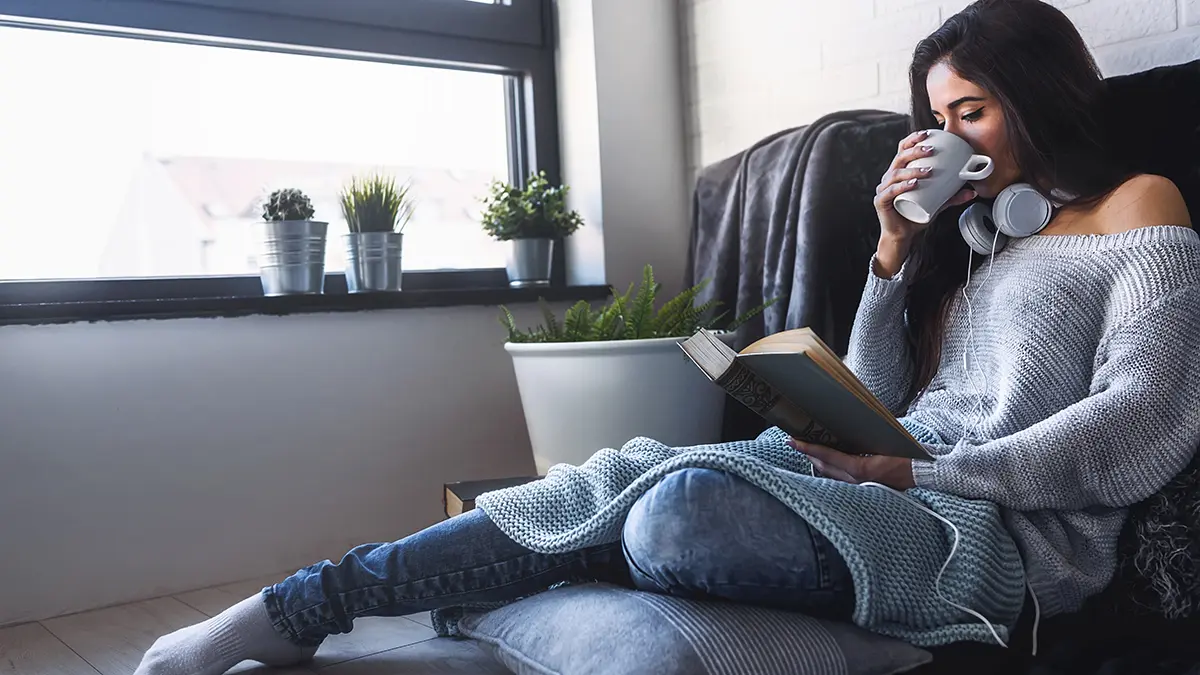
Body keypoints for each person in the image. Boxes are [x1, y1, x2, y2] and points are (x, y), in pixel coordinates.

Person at [134, 1, 1200, 673]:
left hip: (991, 541)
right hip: (876, 480)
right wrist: (888, 252)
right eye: (933, 117)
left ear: (1038, 95)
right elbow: (882, 399)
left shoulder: (1139, 207)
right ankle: (300, 605)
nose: (943, 140)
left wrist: (924, 476)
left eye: (969, 112)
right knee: (634, 471)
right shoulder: (966, 242)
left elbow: (1146, 421)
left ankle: (477, 587)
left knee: (680, 508)